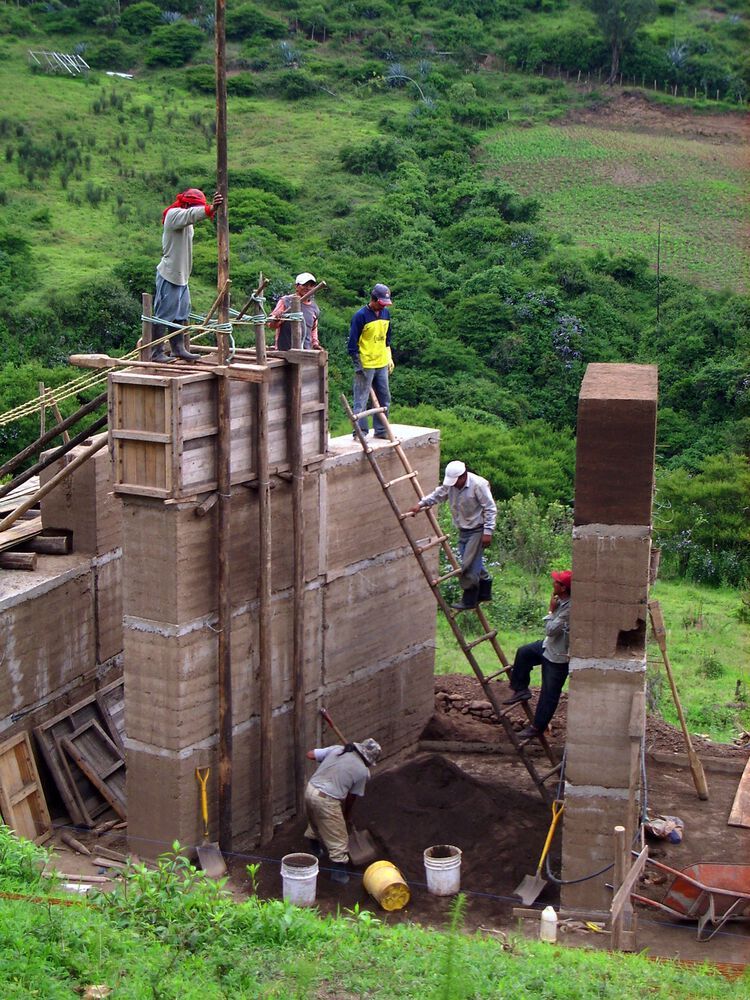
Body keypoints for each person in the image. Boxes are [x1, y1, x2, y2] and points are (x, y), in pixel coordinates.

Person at [408, 461, 496, 611]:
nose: (454, 485)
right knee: (471, 561)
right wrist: (421, 504)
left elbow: (490, 508)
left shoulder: (478, 485)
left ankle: (469, 599)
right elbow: (438, 495)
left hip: (477, 529)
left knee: (468, 565)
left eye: (456, 481)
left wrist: (488, 532)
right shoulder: (451, 486)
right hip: (463, 529)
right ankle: (485, 587)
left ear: (463, 476)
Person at [151, 187, 223, 363]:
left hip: (182, 276)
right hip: (169, 273)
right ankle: (156, 353)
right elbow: (191, 214)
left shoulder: (185, 220)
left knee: (182, 314)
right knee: (164, 315)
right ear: (189, 205)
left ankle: (178, 349)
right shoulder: (174, 215)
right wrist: (211, 209)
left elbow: (191, 215)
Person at [503, 570, 572, 740]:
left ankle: (537, 727)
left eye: (556, 582)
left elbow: (550, 630)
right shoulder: (562, 603)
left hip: (558, 656)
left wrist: (550, 611)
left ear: (563, 588)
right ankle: (521, 689)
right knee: (524, 652)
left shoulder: (569, 608)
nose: (552, 583)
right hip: (548, 646)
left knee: (549, 693)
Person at [304, 738, 381, 884]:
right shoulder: (362, 772)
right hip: (326, 800)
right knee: (339, 839)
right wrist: (346, 815)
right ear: (369, 760)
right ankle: (339, 874)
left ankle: (314, 849)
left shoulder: (337, 749)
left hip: (310, 790)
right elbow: (351, 798)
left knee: (316, 821)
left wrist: (330, 762)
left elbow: (310, 755)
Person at [348, 283, 393, 439]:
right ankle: (360, 433)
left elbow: (387, 339)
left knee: (384, 399)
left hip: (381, 362)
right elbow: (352, 344)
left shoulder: (386, 314)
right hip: (366, 363)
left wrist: (389, 356)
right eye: (380, 304)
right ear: (373, 299)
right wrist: (357, 365)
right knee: (361, 400)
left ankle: (381, 431)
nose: (382, 307)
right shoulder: (360, 316)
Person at [267, 272, 321, 351]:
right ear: (296, 286)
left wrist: (315, 343)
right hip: (285, 351)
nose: (308, 288)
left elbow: (313, 328)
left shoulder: (314, 308)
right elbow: (270, 325)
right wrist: (276, 319)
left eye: (311, 285)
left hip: (305, 352)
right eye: (305, 285)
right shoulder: (286, 301)